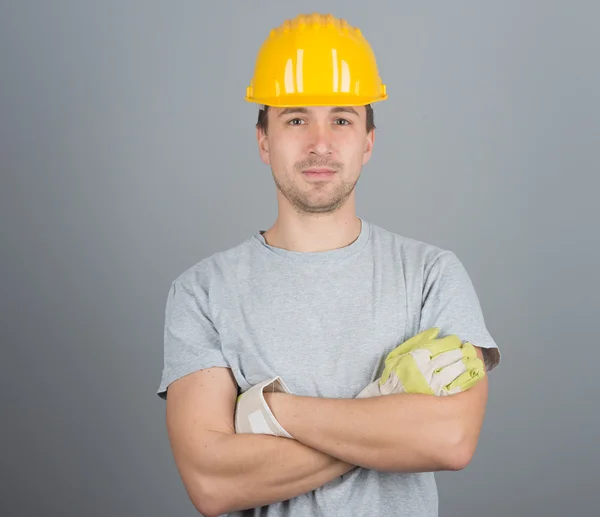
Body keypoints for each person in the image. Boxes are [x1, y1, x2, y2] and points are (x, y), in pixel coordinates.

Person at [157, 12, 501, 517]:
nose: (320, 143)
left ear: (367, 142)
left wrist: (272, 410)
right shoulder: (201, 293)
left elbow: (449, 438)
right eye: (296, 119)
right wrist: (387, 415)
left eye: (341, 119)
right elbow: (213, 482)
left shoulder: (432, 276)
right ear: (263, 141)